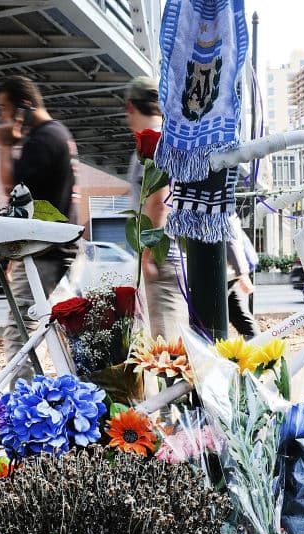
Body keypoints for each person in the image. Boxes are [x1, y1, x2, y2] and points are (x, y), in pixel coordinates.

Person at [0, 75, 79, 384]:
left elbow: (12, 190)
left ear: (23, 107)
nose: (1, 117)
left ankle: (23, 403)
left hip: (43, 252)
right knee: (48, 327)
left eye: (3, 109)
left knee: (19, 329)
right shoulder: (59, 134)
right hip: (58, 248)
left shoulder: (42, 140)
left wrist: (6, 147)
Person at [123, 76, 189, 341]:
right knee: (170, 340)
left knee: (166, 344)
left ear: (129, 107)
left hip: (162, 257)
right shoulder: (167, 137)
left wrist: (148, 255)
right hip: (173, 255)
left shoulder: (154, 141)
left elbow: (159, 200)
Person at [226, 218, 260, 339]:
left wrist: (242, 274)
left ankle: (261, 353)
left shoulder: (221, 206)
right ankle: (261, 353)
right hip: (230, 275)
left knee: (212, 323)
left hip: (224, 275)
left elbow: (231, 239)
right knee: (242, 319)